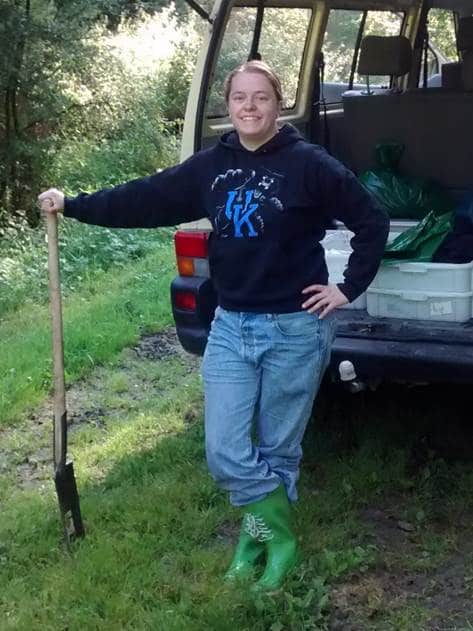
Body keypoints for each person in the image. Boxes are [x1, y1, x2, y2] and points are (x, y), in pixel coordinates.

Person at [39, 60, 389, 591]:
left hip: (296, 327)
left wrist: (346, 288)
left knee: (278, 449)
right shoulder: (210, 166)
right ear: (228, 106)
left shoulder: (310, 165)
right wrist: (75, 205)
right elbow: (145, 198)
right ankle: (280, 534)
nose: (249, 107)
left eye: (261, 98)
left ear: (278, 104)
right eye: (239, 98)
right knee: (226, 452)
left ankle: (260, 542)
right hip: (231, 326)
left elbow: (372, 220)